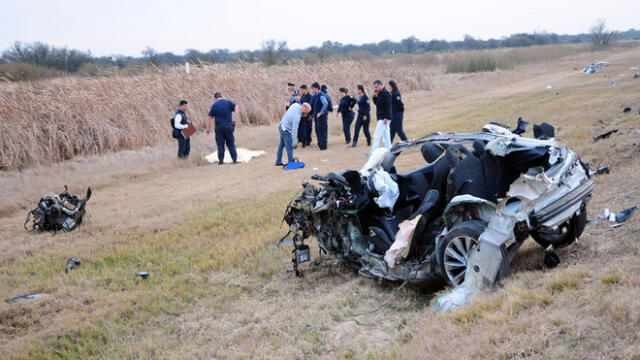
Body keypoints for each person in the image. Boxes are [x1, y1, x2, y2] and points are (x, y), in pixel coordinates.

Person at [276, 91, 312, 166]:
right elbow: (295, 129)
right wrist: (294, 142)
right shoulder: (297, 116)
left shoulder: (295, 105)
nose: (306, 114)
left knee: (281, 145)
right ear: (304, 108)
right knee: (289, 147)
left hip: (281, 125)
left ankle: (278, 161)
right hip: (286, 129)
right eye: (306, 112)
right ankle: (291, 164)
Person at [206, 92, 239, 165]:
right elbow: (236, 107)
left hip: (219, 127)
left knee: (220, 144)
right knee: (230, 143)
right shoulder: (228, 102)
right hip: (228, 126)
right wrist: (234, 119)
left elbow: (209, 118)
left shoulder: (214, 105)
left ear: (215, 98)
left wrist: (208, 128)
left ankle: (221, 161)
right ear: (221, 97)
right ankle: (234, 160)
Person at [371, 80, 392, 152]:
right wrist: (374, 97)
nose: (376, 88)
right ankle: (390, 150)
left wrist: (386, 117)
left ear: (380, 85)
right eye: (375, 87)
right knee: (386, 137)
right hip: (381, 117)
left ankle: (373, 151)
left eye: (376, 87)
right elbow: (377, 104)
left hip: (384, 118)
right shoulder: (380, 93)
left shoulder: (386, 93)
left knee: (377, 135)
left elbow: (388, 106)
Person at [310, 82, 329, 150]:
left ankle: (323, 146)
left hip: (322, 117)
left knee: (322, 131)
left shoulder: (321, 95)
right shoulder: (315, 96)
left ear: (317, 88)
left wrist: (321, 112)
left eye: (312, 89)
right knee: (318, 131)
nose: (311, 90)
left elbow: (325, 103)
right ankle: (320, 144)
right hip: (316, 117)